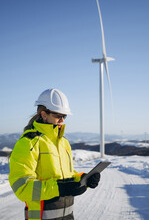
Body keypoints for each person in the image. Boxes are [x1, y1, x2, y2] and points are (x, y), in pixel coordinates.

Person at [9, 88, 101, 220]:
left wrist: (83, 179)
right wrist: (59, 188)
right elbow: (22, 188)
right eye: (58, 115)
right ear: (43, 114)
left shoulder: (63, 143)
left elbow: (65, 175)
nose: (62, 120)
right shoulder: (28, 143)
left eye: (64, 116)